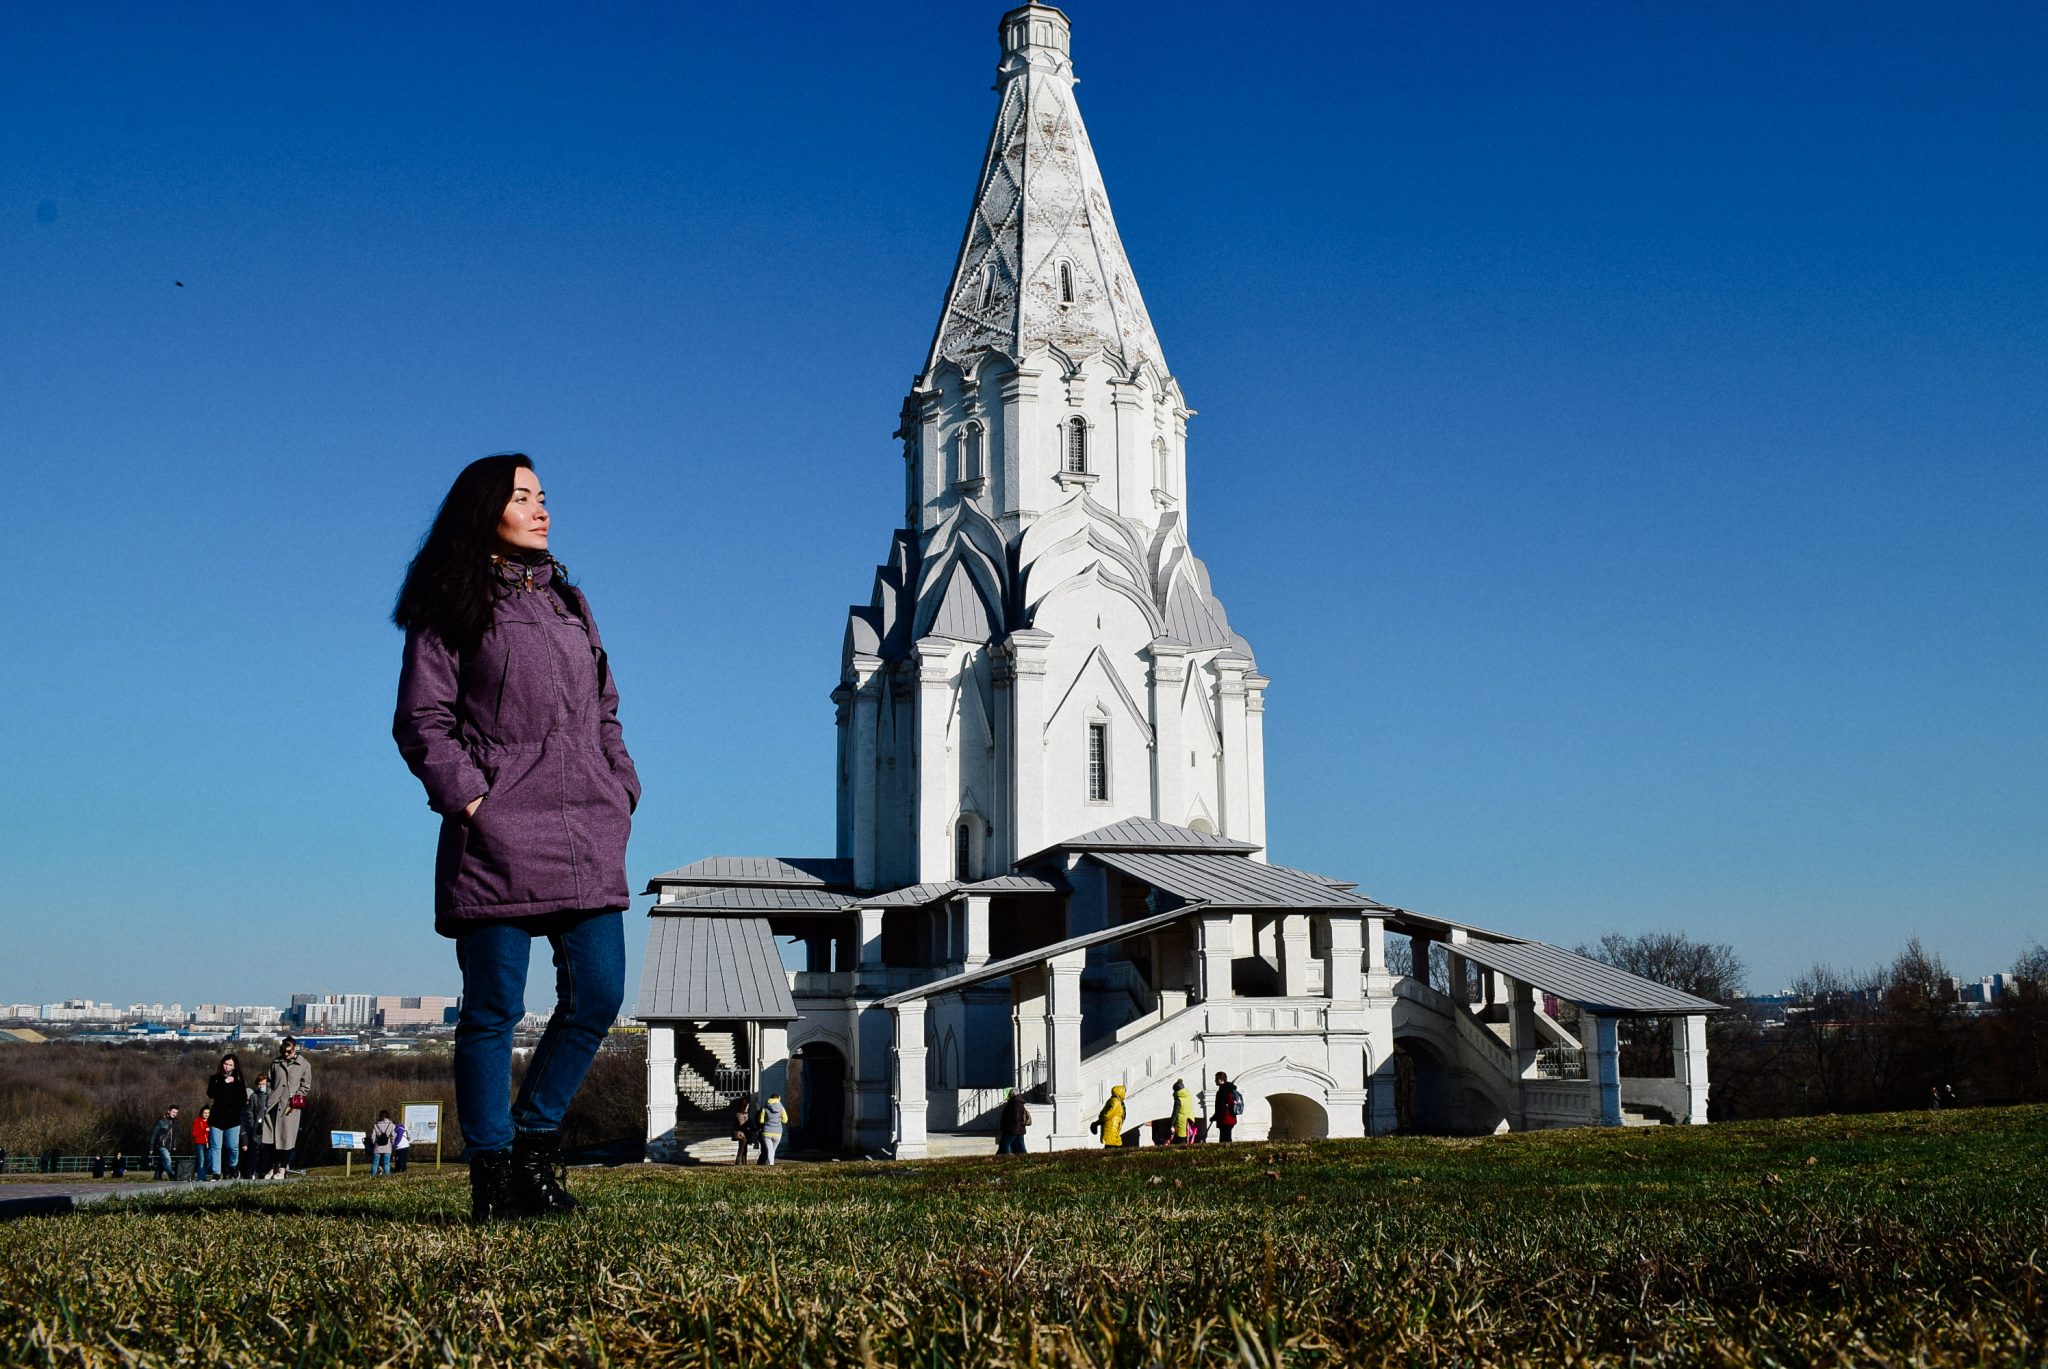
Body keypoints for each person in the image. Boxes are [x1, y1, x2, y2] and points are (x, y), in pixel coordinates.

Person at [393, 454, 639, 1222]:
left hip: (586, 830)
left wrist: (620, 783)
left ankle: (537, 1148)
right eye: (524, 496)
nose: (543, 510)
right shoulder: (450, 605)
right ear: (485, 509)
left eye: (543, 497)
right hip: (496, 837)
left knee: (599, 991)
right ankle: (495, 1176)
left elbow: (605, 706)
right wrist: (474, 802)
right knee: (493, 1007)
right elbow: (422, 722)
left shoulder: (571, 599)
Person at [264, 1036, 313, 1178]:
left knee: (286, 1138)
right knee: (271, 1139)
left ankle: (283, 1168)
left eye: (288, 1051)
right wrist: (270, 1094)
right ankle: (273, 1166)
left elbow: (306, 1085)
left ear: (294, 1049)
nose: (285, 1054)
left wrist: (296, 1097)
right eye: (283, 1051)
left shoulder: (303, 1064)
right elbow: (269, 1081)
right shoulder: (276, 1063)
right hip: (273, 1104)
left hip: (290, 1106)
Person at [205, 1053, 248, 1181]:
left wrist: (237, 1111)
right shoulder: (215, 1078)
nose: (227, 1067)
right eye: (225, 1064)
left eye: (230, 1065)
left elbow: (243, 1099)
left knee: (232, 1146)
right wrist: (224, 1082)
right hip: (217, 1118)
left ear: (235, 1067)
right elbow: (211, 1093)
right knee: (215, 1147)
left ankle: (233, 1166)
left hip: (233, 1119)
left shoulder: (239, 1081)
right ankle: (216, 1173)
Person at [246, 1073, 271, 1179]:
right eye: (260, 1084)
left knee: (267, 1150)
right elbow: (250, 1112)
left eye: (264, 1084)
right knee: (255, 1150)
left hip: (269, 1126)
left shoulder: (270, 1094)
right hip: (257, 1128)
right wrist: (253, 1125)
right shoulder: (254, 1096)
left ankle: (265, 1170)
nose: (261, 1086)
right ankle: (252, 1171)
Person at [1211, 1072, 1245, 1144]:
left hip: (1225, 1118)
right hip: (1231, 1117)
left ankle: (1226, 1153)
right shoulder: (1230, 1089)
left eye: (1216, 1079)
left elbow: (1221, 1106)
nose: (1215, 1081)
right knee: (1227, 1137)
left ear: (1220, 1079)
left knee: (1224, 1139)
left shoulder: (1223, 1091)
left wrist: (1215, 1116)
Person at [756, 1093, 789, 1166]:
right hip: (778, 1132)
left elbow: (761, 1121)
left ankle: (770, 1164)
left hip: (767, 1132)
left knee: (770, 1150)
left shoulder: (765, 1107)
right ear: (778, 1099)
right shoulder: (781, 1108)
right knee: (772, 1150)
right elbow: (785, 1120)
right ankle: (769, 1163)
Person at [148, 1106, 179, 1180]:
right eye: (173, 1112)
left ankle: (157, 1176)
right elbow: (154, 1135)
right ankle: (172, 1176)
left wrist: (174, 1145)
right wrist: (151, 1147)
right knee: (167, 1160)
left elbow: (175, 1135)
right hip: (161, 1145)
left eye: (176, 1112)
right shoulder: (161, 1121)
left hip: (169, 1146)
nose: (175, 1114)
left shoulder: (175, 1122)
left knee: (163, 1161)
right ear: (169, 1111)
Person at [997, 1089, 1031, 1155]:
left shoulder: (1014, 1102)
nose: (1009, 1095)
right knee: (1020, 1148)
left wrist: (1007, 1123)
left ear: (1012, 1094)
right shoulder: (1018, 1101)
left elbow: (1016, 1117)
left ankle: (1004, 1158)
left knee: (1005, 1144)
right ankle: (1024, 1159)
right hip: (1019, 1129)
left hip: (1012, 1129)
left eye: (1010, 1093)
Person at [369, 1110, 397, 1176]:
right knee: (386, 1163)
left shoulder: (376, 1124)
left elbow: (373, 1136)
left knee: (375, 1163)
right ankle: (386, 1177)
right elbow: (393, 1135)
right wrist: (392, 1143)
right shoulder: (391, 1125)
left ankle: (373, 1175)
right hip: (387, 1146)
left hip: (377, 1146)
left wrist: (373, 1142)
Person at [1171, 1080, 1197, 1146]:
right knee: (1189, 1141)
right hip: (1190, 1122)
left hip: (1181, 1123)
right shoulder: (1189, 1096)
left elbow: (1175, 1114)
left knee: (1181, 1143)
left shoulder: (1178, 1100)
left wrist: (1171, 1125)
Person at [191, 1106, 214, 1180]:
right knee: (201, 1159)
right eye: (205, 1113)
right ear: (201, 1113)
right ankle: (201, 1177)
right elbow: (194, 1134)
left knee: (209, 1160)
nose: (206, 1114)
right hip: (199, 1143)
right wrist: (204, 1130)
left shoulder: (211, 1122)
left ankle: (203, 1174)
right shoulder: (197, 1121)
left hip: (209, 1143)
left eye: (208, 1113)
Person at [731, 1099, 754, 1166]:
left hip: (745, 1133)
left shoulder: (745, 1114)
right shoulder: (739, 1114)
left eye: (748, 1107)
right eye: (747, 1107)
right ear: (743, 1107)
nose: (748, 1108)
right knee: (741, 1150)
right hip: (742, 1134)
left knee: (744, 1150)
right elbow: (742, 1125)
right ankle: (738, 1162)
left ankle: (744, 1163)